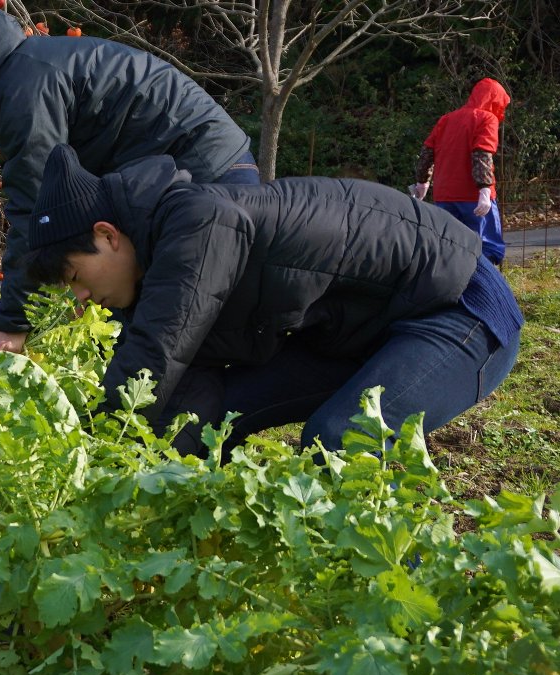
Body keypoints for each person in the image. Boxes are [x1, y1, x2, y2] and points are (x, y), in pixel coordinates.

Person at [26, 144, 523, 457]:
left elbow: (158, 351)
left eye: (74, 276)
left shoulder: (197, 223)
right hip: (363, 335)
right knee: (215, 419)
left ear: (108, 235)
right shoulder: (149, 270)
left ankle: (416, 601)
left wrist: (93, 454)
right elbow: (184, 395)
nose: (82, 296)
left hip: (460, 309)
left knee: (339, 441)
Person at [0, 9, 260, 363]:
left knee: (186, 326)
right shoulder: (20, 74)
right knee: (144, 326)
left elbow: (36, 212)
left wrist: (11, 322)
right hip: (185, 166)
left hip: (207, 167)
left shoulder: (24, 89)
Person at [412, 78, 511, 266]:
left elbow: (427, 153)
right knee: (488, 250)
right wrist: (484, 189)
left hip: (444, 196)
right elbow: (482, 154)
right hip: (473, 196)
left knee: (449, 247)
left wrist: (422, 182)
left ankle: (452, 290)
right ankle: (482, 290)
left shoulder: (446, 119)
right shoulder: (487, 118)